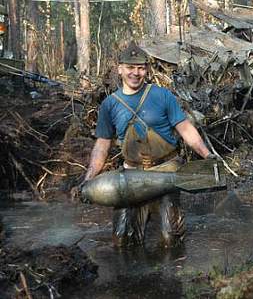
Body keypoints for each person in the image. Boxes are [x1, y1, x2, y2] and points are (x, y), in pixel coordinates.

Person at [82, 42, 212, 247]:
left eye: (141, 68)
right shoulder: (109, 105)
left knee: (171, 239)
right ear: (120, 69)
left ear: (147, 70)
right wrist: (89, 178)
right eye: (130, 67)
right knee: (122, 241)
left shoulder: (162, 96)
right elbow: (102, 146)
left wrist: (207, 156)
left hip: (166, 170)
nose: (136, 73)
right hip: (131, 176)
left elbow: (185, 129)